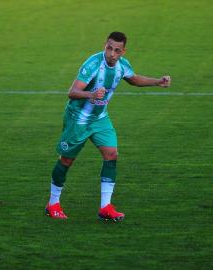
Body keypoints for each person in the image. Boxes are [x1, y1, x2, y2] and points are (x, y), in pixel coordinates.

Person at [45, 31, 171, 221]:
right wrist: (91, 94)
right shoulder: (93, 64)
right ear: (105, 45)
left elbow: (134, 78)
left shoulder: (122, 66)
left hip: (100, 118)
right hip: (78, 118)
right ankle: (52, 203)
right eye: (109, 48)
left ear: (123, 52)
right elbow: (72, 92)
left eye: (117, 50)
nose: (112, 53)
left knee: (111, 154)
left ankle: (105, 207)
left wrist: (157, 81)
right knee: (66, 160)